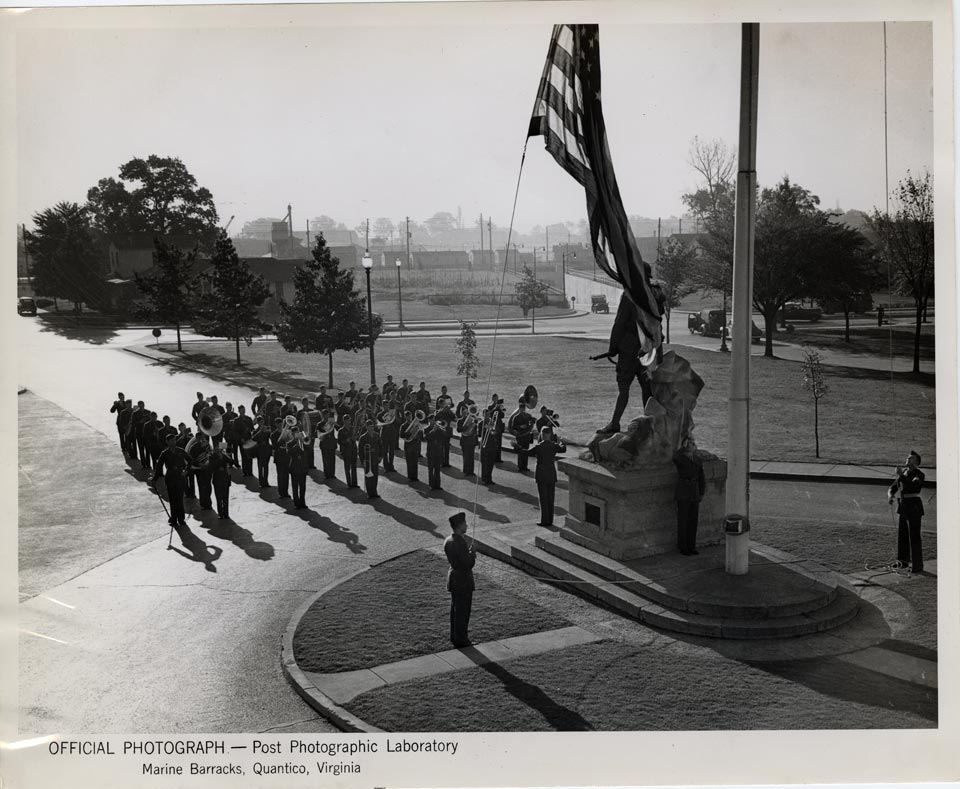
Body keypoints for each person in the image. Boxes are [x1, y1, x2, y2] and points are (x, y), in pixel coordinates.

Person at [602, 294, 656, 434]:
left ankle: (615, 422)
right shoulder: (648, 292)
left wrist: (613, 347)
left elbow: (620, 322)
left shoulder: (629, 294)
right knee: (647, 388)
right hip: (647, 348)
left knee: (624, 388)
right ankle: (650, 423)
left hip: (629, 349)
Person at [889, 450, 926, 573]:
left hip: (914, 507)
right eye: (908, 458)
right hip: (904, 506)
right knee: (902, 535)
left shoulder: (919, 474)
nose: (907, 459)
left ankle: (917, 566)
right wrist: (891, 495)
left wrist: (901, 475)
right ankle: (902, 562)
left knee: (914, 536)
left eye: (910, 458)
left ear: (916, 462)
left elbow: (913, 486)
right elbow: (892, 488)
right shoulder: (904, 473)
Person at [444, 511, 476, 648]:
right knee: (463, 611)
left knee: (456, 610)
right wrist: (472, 553)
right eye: (464, 524)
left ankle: (455, 636)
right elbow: (467, 564)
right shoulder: (460, 542)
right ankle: (462, 639)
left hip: (454, 578)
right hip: (462, 580)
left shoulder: (449, 540)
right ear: (460, 525)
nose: (467, 526)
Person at [527, 426, 567, 527]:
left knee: (543, 498)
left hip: (541, 473)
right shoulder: (554, 446)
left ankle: (544, 520)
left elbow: (525, 452)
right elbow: (563, 449)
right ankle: (550, 520)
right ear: (550, 435)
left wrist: (516, 446)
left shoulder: (539, 447)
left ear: (541, 434)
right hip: (551, 473)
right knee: (550, 497)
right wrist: (561, 441)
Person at [673, 437, 706, 555]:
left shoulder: (697, 459)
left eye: (693, 443)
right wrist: (682, 446)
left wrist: (701, 492)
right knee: (683, 520)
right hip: (684, 491)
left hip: (695, 491)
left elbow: (701, 477)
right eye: (690, 443)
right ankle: (683, 547)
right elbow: (675, 457)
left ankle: (691, 546)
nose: (693, 445)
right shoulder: (680, 458)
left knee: (693, 520)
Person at [152, 433, 190, 527]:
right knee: (173, 499)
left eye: (174, 440)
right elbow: (159, 467)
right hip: (170, 477)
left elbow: (190, 461)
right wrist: (154, 479)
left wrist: (186, 471)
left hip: (180, 476)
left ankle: (181, 519)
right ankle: (174, 518)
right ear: (167, 442)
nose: (174, 442)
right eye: (171, 440)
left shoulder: (180, 451)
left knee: (180, 498)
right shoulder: (164, 453)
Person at [209, 444, 240, 519]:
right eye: (216, 449)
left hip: (225, 479)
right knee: (219, 498)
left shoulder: (224, 455)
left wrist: (228, 455)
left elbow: (232, 462)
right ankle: (220, 514)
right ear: (214, 450)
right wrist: (219, 459)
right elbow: (212, 467)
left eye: (219, 449)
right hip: (217, 479)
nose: (218, 450)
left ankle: (226, 513)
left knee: (225, 497)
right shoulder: (211, 457)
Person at [508, 399, 537, 473]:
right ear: (519, 409)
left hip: (526, 435)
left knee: (526, 451)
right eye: (521, 408)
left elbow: (533, 421)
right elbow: (513, 427)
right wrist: (520, 427)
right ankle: (520, 466)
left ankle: (525, 466)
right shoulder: (516, 417)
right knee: (520, 451)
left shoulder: (528, 416)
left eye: (523, 408)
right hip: (520, 436)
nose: (522, 410)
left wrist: (532, 421)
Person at [357, 419, 383, 499]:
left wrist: (380, 456)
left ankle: (374, 492)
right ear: (366, 427)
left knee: (375, 476)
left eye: (372, 426)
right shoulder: (363, 437)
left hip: (375, 458)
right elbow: (360, 450)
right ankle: (369, 493)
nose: (371, 428)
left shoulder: (377, 435)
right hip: (368, 459)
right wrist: (362, 460)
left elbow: (381, 446)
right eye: (369, 427)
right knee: (368, 477)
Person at [287, 428, 310, 509]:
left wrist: (304, 440)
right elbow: (289, 453)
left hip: (303, 467)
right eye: (294, 433)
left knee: (303, 486)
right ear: (292, 434)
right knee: (295, 486)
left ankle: (302, 502)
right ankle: (297, 503)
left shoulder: (303, 442)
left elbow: (308, 449)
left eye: (297, 433)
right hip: (294, 467)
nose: (296, 434)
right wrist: (296, 445)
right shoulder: (289, 443)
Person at [270, 417, 291, 499]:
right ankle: (281, 492)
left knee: (286, 475)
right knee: (280, 475)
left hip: (286, 456)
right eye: (278, 424)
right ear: (275, 424)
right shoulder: (273, 434)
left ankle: (286, 491)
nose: (280, 425)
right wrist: (282, 439)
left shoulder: (286, 432)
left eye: (281, 424)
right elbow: (275, 446)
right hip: (279, 457)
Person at [425, 415, 445, 490]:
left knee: (437, 469)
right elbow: (426, 438)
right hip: (430, 451)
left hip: (438, 451)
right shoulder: (426, 429)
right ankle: (431, 485)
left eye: (434, 420)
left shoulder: (439, 429)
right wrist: (433, 431)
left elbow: (444, 436)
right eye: (432, 420)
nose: (434, 421)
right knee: (430, 469)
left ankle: (437, 485)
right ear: (429, 421)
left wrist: (441, 429)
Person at [338, 414, 359, 488]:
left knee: (354, 467)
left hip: (353, 449)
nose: (348, 421)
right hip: (346, 450)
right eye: (346, 420)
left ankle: (355, 483)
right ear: (343, 421)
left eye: (348, 420)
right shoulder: (341, 430)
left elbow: (357, 436)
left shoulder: (353, 428)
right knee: (347, 468)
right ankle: (349, 483)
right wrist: (346, 440)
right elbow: (339, 441)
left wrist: (355, 437)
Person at [457, 408, 479, 477]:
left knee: (471, 456)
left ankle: (471, 471)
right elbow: (458, 430)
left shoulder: (471, 419)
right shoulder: (460, 421)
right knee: (466, 456)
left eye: (466, 412)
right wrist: (466, 427)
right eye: (464, 412)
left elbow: (475, 429)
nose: (465, 413)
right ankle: (466, 471)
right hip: (464, 440)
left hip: (471, 440)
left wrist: (474, 423)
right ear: (461, 413)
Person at [402, 411, 423, 482]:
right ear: (405, 417)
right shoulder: (403, 426)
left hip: (415, 445)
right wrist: (410, 433)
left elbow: (420, 433)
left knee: (415, 461)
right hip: (408, 445)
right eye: (407, 416)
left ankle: (415, 476)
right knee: (409, 462)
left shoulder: (416, 424)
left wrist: (416, 435)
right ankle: (410, 477)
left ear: (411, 416)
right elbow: (402, 435)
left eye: (410, 416)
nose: (409, 417)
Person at [234, 404, 255, 477]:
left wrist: (251, 432)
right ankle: (245, 471)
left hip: (249, 439)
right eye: (241, 410)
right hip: (242, 440)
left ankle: (250, 471)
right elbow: (235, 431)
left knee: (250, 456)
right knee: (244, 456)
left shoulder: (248, 419)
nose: (243, 411)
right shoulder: (236, 420)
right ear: (239, 411)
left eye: (244, 410)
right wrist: (240, 438)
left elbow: (252, 429)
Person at [252, 416, 272, 488]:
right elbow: (253, 438)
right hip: (259, 451)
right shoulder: (255, 431)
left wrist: (268, 431)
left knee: (266, 467)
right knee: (260, 467)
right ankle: (261, 482)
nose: (262, 423)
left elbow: (271, 436)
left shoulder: (267, 429)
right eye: (260, 422)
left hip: (266, 450)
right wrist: (260, 431)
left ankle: (266, 482)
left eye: (262, 421)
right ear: (258, 423)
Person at [317, 410, 338, 479]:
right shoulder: (320, 424)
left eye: (328, 415)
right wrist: (326, 427)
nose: (327, 416)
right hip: (324, 443)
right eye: (325, 415)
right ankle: (327, 474)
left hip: (331, 443)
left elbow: (338, 428)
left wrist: (335, 424)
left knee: (332, 460)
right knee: (326, 460)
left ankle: (332, 473)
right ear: (323, 415)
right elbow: (317, 434)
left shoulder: (331, 422)